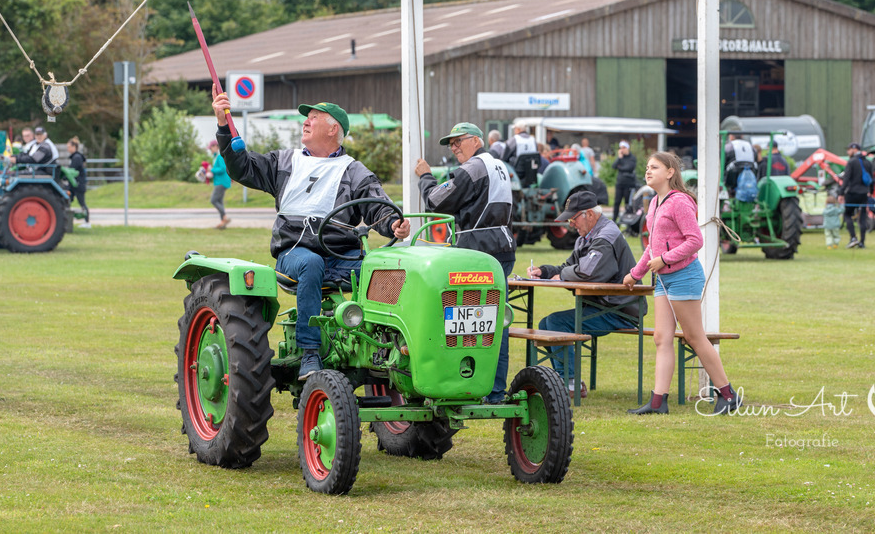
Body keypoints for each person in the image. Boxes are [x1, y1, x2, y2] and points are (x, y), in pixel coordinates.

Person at [210, 93, 410, 380]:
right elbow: (242, 167)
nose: (306, 122)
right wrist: (223, 125)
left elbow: (378, 207)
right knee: (311, 263)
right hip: (294, 254)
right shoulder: (284, 161)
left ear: (333, 129)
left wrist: (394, 224)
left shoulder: (354, 171)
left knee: (389, 268)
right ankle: (310, 353)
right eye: (307, 117)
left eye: (314, 118)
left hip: (342, 257)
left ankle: (391, 349)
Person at [624, 151, 741, 415]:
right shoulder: (654, 203)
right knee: (662, 338)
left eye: (654, 167)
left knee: (694, 336)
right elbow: (652, 247)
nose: (648, 171)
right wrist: (635, 273)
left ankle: (728, 395)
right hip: (663, 279)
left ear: (670, 172)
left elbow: (695, 240)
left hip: (684, 276)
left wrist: (664, 259)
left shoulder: (680, 202)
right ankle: (658, 403)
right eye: (647, 167)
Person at [415, 122, 516, 403]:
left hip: (477, 253)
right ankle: (494, 391)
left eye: (458, 141)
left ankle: (466, 385)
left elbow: (436, 201)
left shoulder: (473, 168)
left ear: (477, 141)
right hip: (502, 248)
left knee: (465, 324)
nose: (454, 147)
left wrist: (425, 176)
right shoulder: (498, 165)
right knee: (494, 324)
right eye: (451, 143)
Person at [527, 190, 646, 399]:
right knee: (546, 323)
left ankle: (570, 383)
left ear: (589, 214)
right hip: (604, 306)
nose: (571, 224)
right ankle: (565, 380)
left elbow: (587, 273)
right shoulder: (587, 236)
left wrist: (562, 275)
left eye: (573, 218)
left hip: (620, 311)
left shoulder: (605, 236)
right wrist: (544, 271)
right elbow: (568, 267)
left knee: (555, 323)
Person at [839, 142, 870, 249]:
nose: (848, 152)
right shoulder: (867, 162)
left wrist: (841, 193)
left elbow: (846, 179)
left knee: (847, 215)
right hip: (864, 193)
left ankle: (853, 238)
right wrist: (871, 191)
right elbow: (872, 179)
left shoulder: (851, 162)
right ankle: (862, 242)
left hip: (852, 193)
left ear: (854, 149)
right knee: (862, 218)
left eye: (849, 150)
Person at [207, 140, 232, 229]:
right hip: (219, 181)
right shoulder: (216, 157)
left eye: (210, 148)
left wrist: (211, 170)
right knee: (219, 201)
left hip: (221, 182)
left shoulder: (219, 156)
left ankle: (224, 217)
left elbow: (222, 168)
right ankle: (223, 224)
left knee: (213, 200)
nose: (210, 150)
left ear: (215, 147)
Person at [611, 140, 637, 223]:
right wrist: (619, 158)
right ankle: (614, 219)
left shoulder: (632, 158)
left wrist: (620, 168)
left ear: (627, 148)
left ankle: (628, 219)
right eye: (621, 148)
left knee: (627, 203)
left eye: (624, 147)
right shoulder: (620, 158)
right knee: (617, 202)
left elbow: (629, 168)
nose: (622, 149)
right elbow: (614, 166)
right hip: (620, 183)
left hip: (629, 184)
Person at [67, 137, 90, 229]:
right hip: (74, 184)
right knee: (68, 200)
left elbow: (72, 170)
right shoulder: (75, 157)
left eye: (69, 147)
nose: (68, 149)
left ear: (74, 147)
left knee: (82, 203)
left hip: (78, 184)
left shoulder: (77, 158)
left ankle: (87, 222)